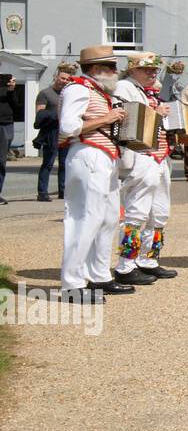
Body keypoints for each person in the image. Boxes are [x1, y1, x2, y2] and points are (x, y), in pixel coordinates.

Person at [59, 46, 133, 298]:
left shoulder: (98, 91)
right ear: (95, 69)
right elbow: (69, 127)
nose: (115, 71)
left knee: (109, 217)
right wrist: (108, 119)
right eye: (111, 66)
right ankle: (72, 282)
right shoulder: (78, 87)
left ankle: (98, 275)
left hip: (105, 157)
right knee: (84, 218)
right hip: (87, 154)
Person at [113, 52, 178, 285]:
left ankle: (148, 259)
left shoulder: (146, 92)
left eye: (154, 70)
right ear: (131, 70)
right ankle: (125, 265)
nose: (152, 73)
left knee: (159, 212)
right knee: (136, 212)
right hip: (139, 155)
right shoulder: (123, 88)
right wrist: (156, 115)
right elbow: (127, 121)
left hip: (159, 157)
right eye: (147, 69)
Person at [34, 64, 75, 201]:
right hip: (51, 131)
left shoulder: (68, 94)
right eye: (62, 78)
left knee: (64, 163)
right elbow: (39, 113)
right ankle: (42, 192)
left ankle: (63, 191)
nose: (64, 81)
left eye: (67, 79)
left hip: (65, 132)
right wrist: (55, 115)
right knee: (48, 163)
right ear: (56, 77)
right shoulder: (45, 93)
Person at [0, 73, 21, 204]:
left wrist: (11, 91)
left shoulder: (8, 89)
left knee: (2, 160)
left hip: (8, 123)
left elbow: (16, 106)